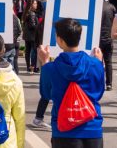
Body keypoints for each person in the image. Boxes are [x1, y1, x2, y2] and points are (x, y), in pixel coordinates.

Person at [38, 18, 105, 148]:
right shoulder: (95, 64)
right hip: (92, 128)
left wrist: (45, 62)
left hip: (63, 129)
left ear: (60, 40)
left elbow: (46, 94)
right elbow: (99, 92)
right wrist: (99, 62)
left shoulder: (51, 68)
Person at [100, 0, 116, 91]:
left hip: (98, 38)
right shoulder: (112, 7)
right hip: (108, 38)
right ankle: (109, 83)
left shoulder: (97, 6)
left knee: (97, 61)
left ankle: (98, 82)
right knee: (108, 61)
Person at [3, 7, 22, 74]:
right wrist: (14, 39)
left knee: (4, 66)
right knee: (11, 65)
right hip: (13, 45)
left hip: (5, 46)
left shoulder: (3, 18)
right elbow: (19, 31)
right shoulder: (16, 18)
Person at [22, 0, 39, 74]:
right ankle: (33, 67)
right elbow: (32, 26)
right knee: (34, 51)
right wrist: (39, 27)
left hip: (27, 35)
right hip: (32, 36)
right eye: (35, 3)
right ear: (31, 5)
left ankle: (28, 67)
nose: (36, 5)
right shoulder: (32, 14)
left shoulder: (26, 13)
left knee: (28, 52)